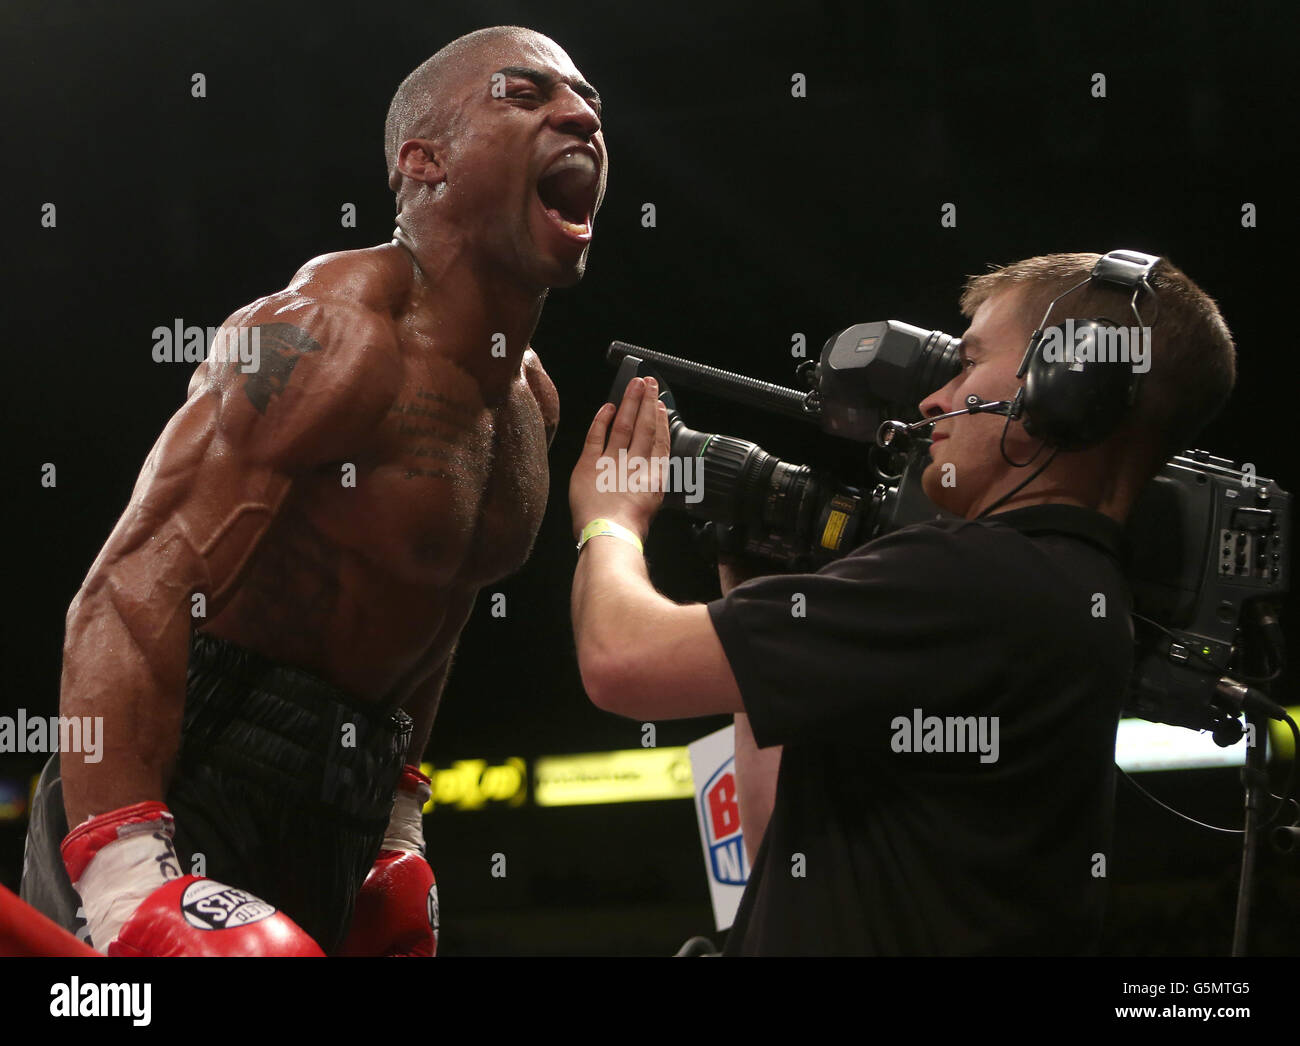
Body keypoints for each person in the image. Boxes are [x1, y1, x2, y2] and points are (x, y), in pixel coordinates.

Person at [21, 24, 607, 956]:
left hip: (344, 797)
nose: (580, 116)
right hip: (177, 762)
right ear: (425, 163)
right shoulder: (326, 336)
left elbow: (434, 615)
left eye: (588, 106)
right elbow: (128, 593)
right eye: (524, 94)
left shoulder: (529, 405)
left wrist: (395, 827)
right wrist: (125, 869)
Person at [567, 252, 1236, 955]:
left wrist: (611, 518)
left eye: (968, 363)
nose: (933, 400)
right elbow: (779, 853)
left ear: (1070, 383)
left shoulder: (979, 578)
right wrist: (754, 606)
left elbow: (620, 660)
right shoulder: (1071, 589)